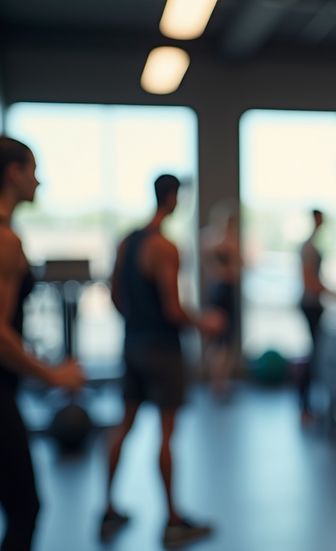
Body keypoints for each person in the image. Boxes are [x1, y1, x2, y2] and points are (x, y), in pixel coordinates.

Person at [101, 175, 225, 547]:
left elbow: (115, 295)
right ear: (172, 198)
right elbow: (173, 309)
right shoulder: (165, 247)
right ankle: (173, 520)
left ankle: (107, 509)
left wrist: (137, 323)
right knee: (167, 434)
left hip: (133, 345)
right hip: (162, 350)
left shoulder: (127, 241)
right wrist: (206, 322)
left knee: (123, 425)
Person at [0, 137, 86, 551]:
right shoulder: (5, 240)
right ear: (14, 174)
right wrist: (53, 374)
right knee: (25, 508)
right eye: (33, 170)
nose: (40, 181)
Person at [298, 209, 336, 425]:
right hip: (310, 305)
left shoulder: (312, 245)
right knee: (314, 355)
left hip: (316, 305)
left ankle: (311, 406)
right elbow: (309, 282)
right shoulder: (308, 248)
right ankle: (304, 406)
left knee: (317, 354)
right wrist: (332, 293)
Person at [201, 200, 242, 398]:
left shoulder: (212, 238)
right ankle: (218, 383)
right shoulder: (218, 239)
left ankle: (220, 382)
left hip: (221, 289)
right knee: (220, 339)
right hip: (222, 290)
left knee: (223, 341)